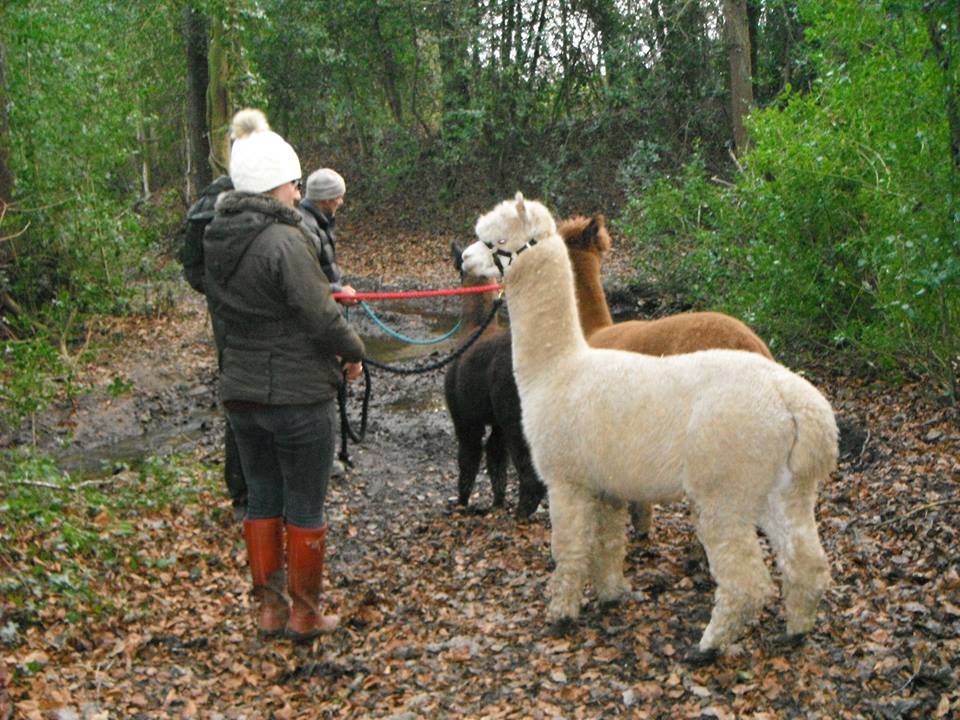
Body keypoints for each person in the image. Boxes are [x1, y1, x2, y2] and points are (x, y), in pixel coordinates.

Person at [203, 108, 365, 641]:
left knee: (262, 499)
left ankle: (269, 610)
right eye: (293, 185)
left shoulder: (217, 237)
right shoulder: (284, 239)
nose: (298, 195)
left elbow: (260, 305)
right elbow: (318, 316)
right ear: (274, 185)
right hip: (295, 397)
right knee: (304, 502)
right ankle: (305, 612)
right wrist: (353, 348)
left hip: (243, 396)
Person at [177, 174, 249, 522]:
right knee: (249, 401)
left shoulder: (204, 202)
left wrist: (215, 291)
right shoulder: (246, 199)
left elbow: (191, 268)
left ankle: (242, 493)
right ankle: (249, 493)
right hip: (244, 314)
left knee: (237, 397)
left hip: (223, 314)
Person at [297, 168, 358, 306]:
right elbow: (304, 282)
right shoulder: (305, 228)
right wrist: (338, 292)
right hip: (316, 312)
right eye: (338, 196)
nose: (341, 201)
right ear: (325, 200)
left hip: (325, 307)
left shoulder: (321, 222)